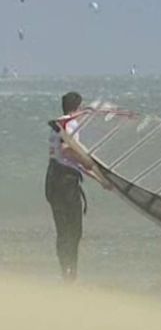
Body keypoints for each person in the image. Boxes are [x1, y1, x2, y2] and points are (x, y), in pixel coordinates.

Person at [45, 92, 108, 282]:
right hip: (65, 182)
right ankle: (71, 274)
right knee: (73, 230)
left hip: (52, 179)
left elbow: (67, 158)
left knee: (63, 230)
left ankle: (67, 272)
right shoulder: (70, 125)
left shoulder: (57, 125)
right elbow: (68, 151)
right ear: (78, 108)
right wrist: (92, 166)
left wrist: (98, 178)